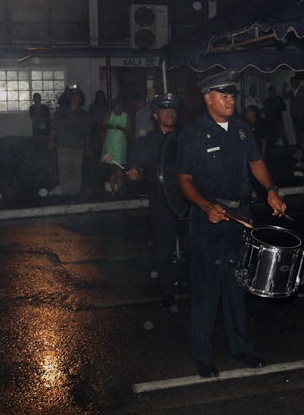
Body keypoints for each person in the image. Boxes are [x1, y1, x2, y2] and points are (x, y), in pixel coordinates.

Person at [176, 72, 287, 379]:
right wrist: (204, 205)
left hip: (240, 217)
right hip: (208, 218)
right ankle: (203, 354)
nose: (229, 100)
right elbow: (184, 179)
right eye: (222, 95)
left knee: (238, 284)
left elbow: (256, 162)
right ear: (207, 98)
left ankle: (240, 348)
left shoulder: (241, 129)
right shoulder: (193, 133)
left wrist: (271, 190)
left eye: (231, 95)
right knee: (207, 287)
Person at [126, 93, 188, 310]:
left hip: (188, 203)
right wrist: (136, 174)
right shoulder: (146, 141)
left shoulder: (186, 138)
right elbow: (137, 168)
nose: (169, 113)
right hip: (161, 204)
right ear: (155, 115)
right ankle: (168, 292)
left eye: (172, 109)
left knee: (195, 250)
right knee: (163, 253)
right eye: (164, 109)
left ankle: (197, 289)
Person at [49, 85, 91, 197]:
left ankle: (75, 192)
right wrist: (51, 139)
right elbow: (54, 126)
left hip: (78, 146)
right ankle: (65, 191)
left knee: (76, 169)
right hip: (63, 144)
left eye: (76, 94)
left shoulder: (83, 114)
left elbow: (87, 131)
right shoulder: (61, 111)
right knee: (64, 169)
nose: (73, 95)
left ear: (80, 99)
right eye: (73, 94)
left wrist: (87, 145)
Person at [101, 98, 132, 196]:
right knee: (111, 167)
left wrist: (120, 128)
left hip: (120, 145)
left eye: (118, 107)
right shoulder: (109, 114)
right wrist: (109, 126)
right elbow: (102, 125)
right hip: (110, 144)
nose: (117, 109)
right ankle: (112, 190)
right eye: (115, 107)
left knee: (119, 167)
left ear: (122, 107)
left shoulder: (126, 116)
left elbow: (129, 131)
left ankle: (120, 189)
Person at [283, 77, 304, 156]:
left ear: (297, 82)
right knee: (298, 132)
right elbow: (285, 96)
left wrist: (292, 96)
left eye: (293, 82)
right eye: (291, 82)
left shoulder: (303, 90)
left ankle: (299, 149)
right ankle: (301, 146)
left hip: (302, 115)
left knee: (299, 132)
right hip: (294, 116)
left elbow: (298, 101)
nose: (291, 84)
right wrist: (284, 88)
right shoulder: (292, 91)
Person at [263, 85, 289, 151]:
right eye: (269, 91)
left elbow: (284, 108)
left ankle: (287, 149)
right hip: (271, 121)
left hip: (279, 120)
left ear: (274, 91)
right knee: (272, 136)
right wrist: (268, 121)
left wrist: (279, 103)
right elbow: (266, 112)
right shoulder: (267, 101)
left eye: (271, 91)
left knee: (283, 134)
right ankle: (272, 150)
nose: (270, 92)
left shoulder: (279, 98)